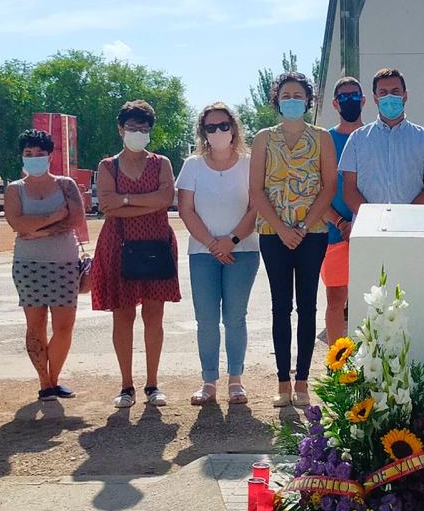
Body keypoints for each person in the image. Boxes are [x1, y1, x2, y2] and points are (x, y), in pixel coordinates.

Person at [250, 72, 337, 408]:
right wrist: (282, 229)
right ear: (277, 100)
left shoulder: (322, 138)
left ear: (308, 100)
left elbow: (329, 187)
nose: (292, 100)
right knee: (280, 307)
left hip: (312, 234)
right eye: (285, 95)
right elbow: (256, 190)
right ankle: (282, 383)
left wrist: (301, 226)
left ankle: (302, 381)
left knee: (307, 306)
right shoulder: (264, 138)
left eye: (298, 95)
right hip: (273, 235)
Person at [91, 100, 180, 409]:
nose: (138, 132)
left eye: (143, 128)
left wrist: (126, 200)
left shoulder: (161, 163)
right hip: (118, 245)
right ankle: (126, 385)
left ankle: (152, 384)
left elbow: (166, 199)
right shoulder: (107, 166)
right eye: (132, 127)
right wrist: (146, 201)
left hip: (156, 243)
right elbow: (107, 205)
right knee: (123, 315)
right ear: (121, 129)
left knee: (154, 315)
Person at [177, 103, 258, 406]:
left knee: (235, 317)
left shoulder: (251, 164)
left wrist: (232, 240)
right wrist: (213, 244)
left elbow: (256, 207)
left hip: (244, 251)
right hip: (203, 253)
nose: (219, 132)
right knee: (207, 319)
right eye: (211, 127)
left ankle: (236, 381)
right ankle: (208, 381)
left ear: (234, 128)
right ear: (203, 132)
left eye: (224, 125)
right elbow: (186, 210)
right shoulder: (192, 166)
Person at [4, 129, 85, 401]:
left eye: (39, 153)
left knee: (64, 326)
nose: (34, 158)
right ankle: (44, 382)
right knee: (35, 325)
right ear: (22, 156)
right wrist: (55, 216)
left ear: (50, 156)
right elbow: (17, 223)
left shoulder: (66, 185)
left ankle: (54, 378)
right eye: (28, 153)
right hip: (28, 265)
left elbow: (76, 219)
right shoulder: (15, 189)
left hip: (65, 262)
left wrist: (41, 230)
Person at [341, 68, 424, 210]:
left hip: (411, 223)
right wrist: (373, 218)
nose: (389, 97)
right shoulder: (356, 139)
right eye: (383, 93)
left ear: (405, 96)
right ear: (375, 98)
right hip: (368, 223)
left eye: (395, 92)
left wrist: (403, 218)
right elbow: (349, 191)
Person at [321, 77, 367, 343]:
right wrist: (340, 223)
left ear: (364, 100)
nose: (350, 100)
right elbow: (316, 190)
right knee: (336, 299)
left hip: (372, 233)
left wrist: (363, 223)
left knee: (373, 299)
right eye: (344, 96)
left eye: (354, 95)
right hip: (335, 234)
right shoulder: (325, 140)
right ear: (335, 103)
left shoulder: (374, 137)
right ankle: (336, 360)